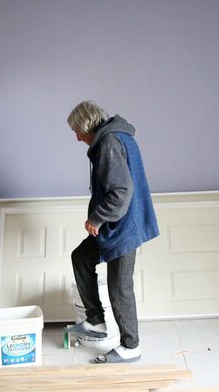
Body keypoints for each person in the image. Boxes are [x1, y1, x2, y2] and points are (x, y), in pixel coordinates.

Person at [67, 100, 159, 364]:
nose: (77, 138)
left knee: (120, 288)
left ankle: (131, 346)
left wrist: (96, 218)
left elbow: (121, 191)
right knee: (81, 257)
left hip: (122, 227)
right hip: (116, 225)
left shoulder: (108, 143)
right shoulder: (119, 136)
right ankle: (95, 321)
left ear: (87, 126)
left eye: (78, 131)